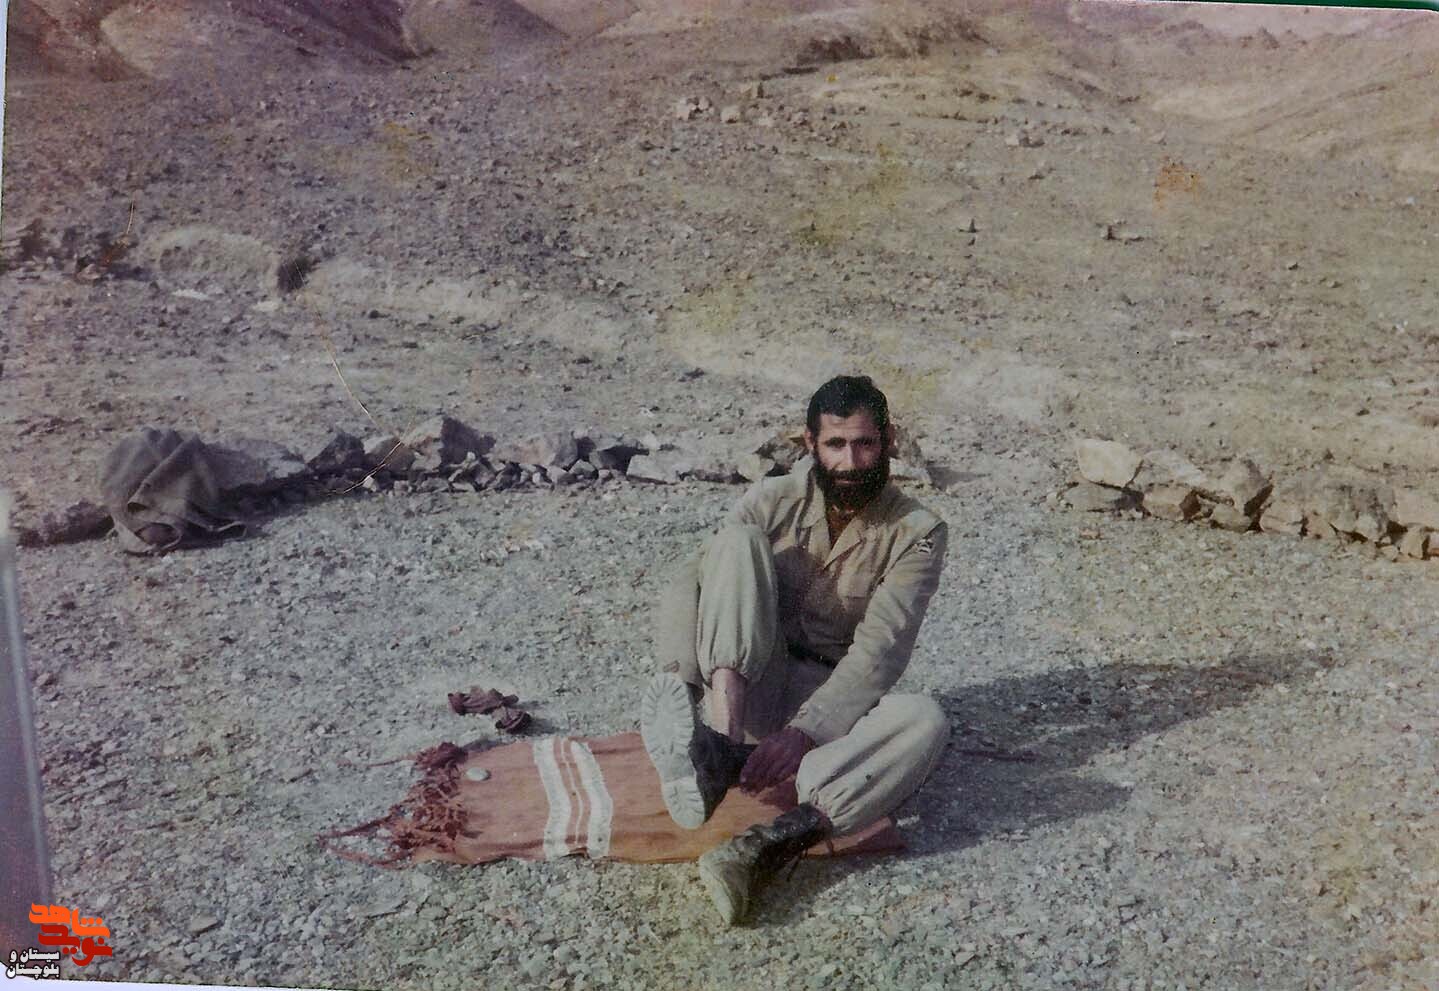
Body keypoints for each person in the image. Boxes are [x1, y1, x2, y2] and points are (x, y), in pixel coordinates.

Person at [641, 374, 950, 926]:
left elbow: (883, 649)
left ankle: (762, 850)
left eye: (865, 444)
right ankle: (716, 749)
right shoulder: (770, 499)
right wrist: (682, 681)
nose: (851, 462)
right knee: (732, 544)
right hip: (744, 687)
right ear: (811, 443)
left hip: (830, 703)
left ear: (888, 442)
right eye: (836, 444)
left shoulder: (918, 531)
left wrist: (806, 730)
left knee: (925, 720)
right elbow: (693, 583)